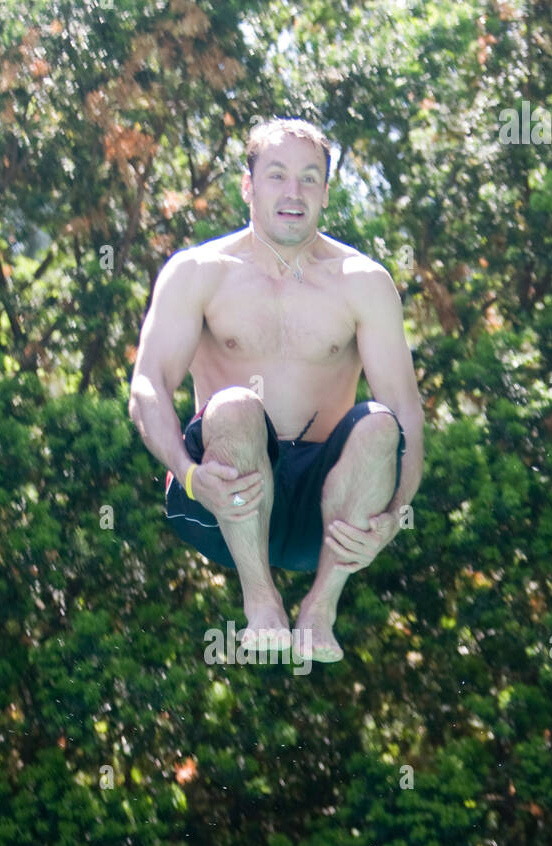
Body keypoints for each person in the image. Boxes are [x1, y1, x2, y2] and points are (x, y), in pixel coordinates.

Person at [129, 117, 424, 663]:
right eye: (278, 175)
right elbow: (147, 385)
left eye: (310, 178)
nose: (294, 192)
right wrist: (190, 475)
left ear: (326, 193)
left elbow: (406, 409)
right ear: (248, 185)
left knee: (381, 424)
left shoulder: (362, 282)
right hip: (221, 499)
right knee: (237, 405)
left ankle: (319, 610)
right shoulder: (199, 273)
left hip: (328, 511)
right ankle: (259, 599)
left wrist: (393, 518)